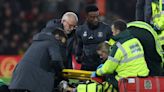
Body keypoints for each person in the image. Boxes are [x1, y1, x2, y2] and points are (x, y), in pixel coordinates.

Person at [91, 19, 149, 90]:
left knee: (109, 76)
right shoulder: (135, 40)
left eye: (113, 31)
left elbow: (109, 68)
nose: (112, 34)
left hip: (127, 79)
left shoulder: (118, 46)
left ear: (117, 31)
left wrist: (97, 72)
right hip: (142, 76)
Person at [9, 28, 67, 92]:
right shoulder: (53, 42)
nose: (61, 44)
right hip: (34, 80)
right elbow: (56, 60)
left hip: (17, 78)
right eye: (62, 41)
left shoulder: (36, 42)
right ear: (58, 37)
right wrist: (62, 72)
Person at [75, 5, 112, 71]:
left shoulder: (106, 29)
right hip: (86, 65)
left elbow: (111, 46)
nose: (96, 19)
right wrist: (78, 57)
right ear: (86, 16)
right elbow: (79, 46)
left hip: (102, 65)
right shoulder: (80, 30)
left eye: (97, 16)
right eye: (92, 17)